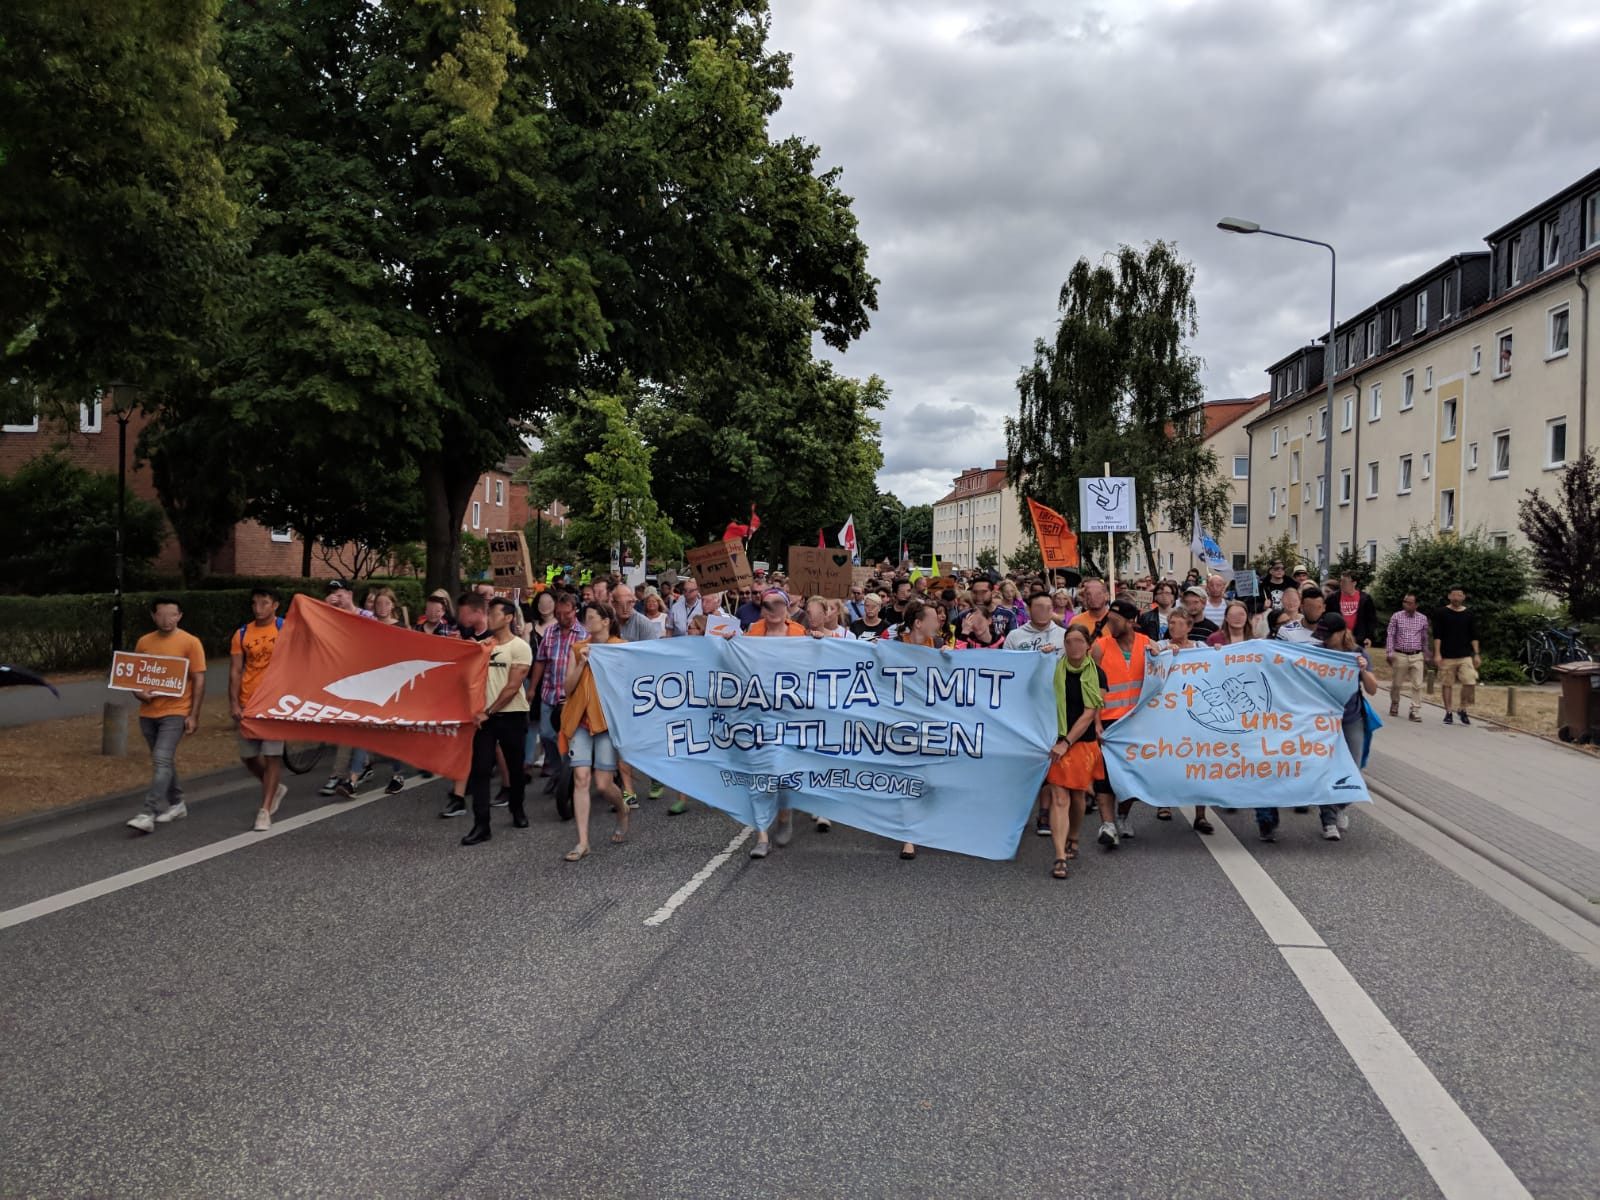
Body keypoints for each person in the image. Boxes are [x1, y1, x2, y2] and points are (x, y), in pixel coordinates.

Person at [1258, 614, 1378, 844]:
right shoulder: (1317, 652)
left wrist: (1362, 669)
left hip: (1350, 719)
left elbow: (1372, 689)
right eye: (1320, 635)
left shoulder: (1358, 653)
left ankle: (1338, 806)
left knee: (1353, 771)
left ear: (1343, 632)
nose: (1324, 640)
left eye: (1328, 635)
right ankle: (1329, 820)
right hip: (1320, 722)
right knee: (1322, 769)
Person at [125, 598, 209, 834]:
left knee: (161, 759)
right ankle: (177, 803)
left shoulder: (190, 642)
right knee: (164, 761)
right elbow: (135, 675)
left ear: (180, 616)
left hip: (176, 711)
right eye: (161, 615)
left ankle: (147, 812)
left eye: (172, 615)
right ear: (153, 616)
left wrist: (194, 715)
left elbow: (199, 678)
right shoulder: (144, 642)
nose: (167, 620)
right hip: (148, 712)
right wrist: (139, 693)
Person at [459, 598, 533, 846]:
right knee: (480, 771)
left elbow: (513, 687)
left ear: (509, 618)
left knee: (515, 768)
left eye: (494, 613)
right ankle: (481, 825)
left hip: (511, 716)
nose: (489, 617)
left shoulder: (520, 647)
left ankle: (517, 808)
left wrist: (488, 712)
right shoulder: (483, 646)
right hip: (485, 719)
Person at [558, 602, 628, 861]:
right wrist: (582, 663)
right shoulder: (578, 648)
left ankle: (622, 808)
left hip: (608, 723)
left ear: (606, 621)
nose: (587, 622)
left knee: (603, 785)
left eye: (591, 617)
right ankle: (583, 841)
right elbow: (567, 688)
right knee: (581, 779)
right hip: (581, 722)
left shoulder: (621, 648)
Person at [745, 589, 806, 858]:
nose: (772, 609)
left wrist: (820, 641)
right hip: (758, 713)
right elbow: (736, 663)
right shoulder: (752, 632)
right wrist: (726, 643)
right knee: (759, 773)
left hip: (790, 714)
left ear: (786, 606)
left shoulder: (799, 633)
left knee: (782, 771)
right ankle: (761, 835)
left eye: (778, 604)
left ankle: (784, 813)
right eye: (767, 604)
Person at [1045, 624, 1108, 878]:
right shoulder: (1053, 668)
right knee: (1060, 798)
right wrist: (1040, 656)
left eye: (1079, 641)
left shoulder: (1098, 674)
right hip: (1055, 740)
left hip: (1081, 743)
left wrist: (1066, 742)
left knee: (1078, 797)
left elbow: (1089, 713)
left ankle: (1073, 835)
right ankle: (1059, 856)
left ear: (1088, 644)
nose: (1074, 647)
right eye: (1069, 641)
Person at [1089, 599, 1152, 844]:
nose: (1111, 626)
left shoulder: (1147, 645)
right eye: (1109, 621)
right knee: (1104, 776)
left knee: (1131, 775)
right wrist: (1095, 722)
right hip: (1107, 721)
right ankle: (1107, 825)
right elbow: (1091, 688)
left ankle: (1123, 815)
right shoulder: (1100, 647)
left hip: (1136, 723)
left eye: (1115, 621)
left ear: (1130, 622)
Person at [520, 590, 588, 809]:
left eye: (566, 613)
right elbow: (540, 661)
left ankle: (569, 776)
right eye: (558, 614)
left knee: (570, 738)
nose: (562, 618)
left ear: (574, 611)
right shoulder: (551, 633)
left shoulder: (584, 634)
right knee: (547, 734)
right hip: (550, 692)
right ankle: (559, 771)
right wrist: (533, 690)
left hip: (573, 697)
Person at [230, 588, 288, 832]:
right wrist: (234, 702)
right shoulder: (242, 633)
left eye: (264, 603)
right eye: (255, 603)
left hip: (275, 703)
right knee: (248, 755)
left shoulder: (286, 628)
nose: (258, 608)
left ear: (275, 605)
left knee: (272, 755)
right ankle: (274, 787)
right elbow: (235, 670)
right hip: (249, 701)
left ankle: (265, 809)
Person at [891, 600, 945, 860]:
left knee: (931, 778)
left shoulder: (938, 645)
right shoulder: (895, 643)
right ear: (918, 623)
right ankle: (908, 836)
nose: (939, 622)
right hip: (902, 722)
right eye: (934, 618)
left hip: (933, 721)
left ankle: (926, 823)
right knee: (908, 777)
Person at [1433, 586, 1480, 725]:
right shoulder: (1441, 613)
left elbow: (1474, 635)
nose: (1456, 598)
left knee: (1470, 680)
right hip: (1447, 655)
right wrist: (1437, 653)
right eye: (1454, 595)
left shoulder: (1469, 614)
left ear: (1463, 597)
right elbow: (1437, 635)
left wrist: (1476, 654)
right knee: (1447, 684)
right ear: (1449, 596)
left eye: (1459, 595)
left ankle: (1462, 708)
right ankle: (1448, 712)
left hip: (1465, 655)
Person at [1385, 593, 1431, 721]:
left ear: (1416, 605)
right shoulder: (1396, 616)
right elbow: (1391, 635)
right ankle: (1395, 703)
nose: (1406, 604)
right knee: (1397, 684)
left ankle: (1415, 710)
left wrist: (1426, 653)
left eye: (1409, 602)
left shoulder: (1422, 618)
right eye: (1405, 601)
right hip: (1400, 654)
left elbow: (1424, 637)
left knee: (1417, 684)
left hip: (1416, 655)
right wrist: (1389, 652)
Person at [1335, 571, 1379, 648]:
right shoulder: (1334, 597)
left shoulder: (1364, 598)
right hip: (1338, 638)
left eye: (1345, 582)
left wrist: (1369, 637)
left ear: (1354, 583)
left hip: (1358, 639)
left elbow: (1371, 619)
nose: (1341, 584)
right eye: (1341, 581)